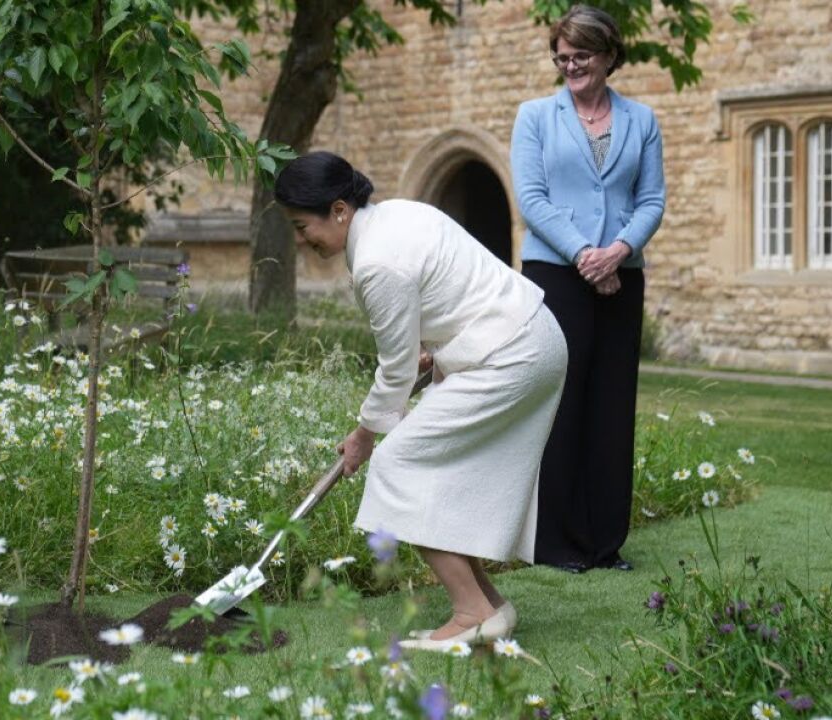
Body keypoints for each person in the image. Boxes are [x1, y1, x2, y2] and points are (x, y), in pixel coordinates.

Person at [275, 152, 567, 651]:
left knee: (399, 464)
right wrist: (429, 355)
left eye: (304, 227)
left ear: (340, 210)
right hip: (527, 338)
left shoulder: (378, 262)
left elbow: (395, 368)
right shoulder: (397, 215)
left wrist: (365, 436)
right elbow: (442, 309)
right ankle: (489, 607)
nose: (301, 240)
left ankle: (471, 612)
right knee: (436, 472)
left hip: (511, 353)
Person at [509, 5, 666, 573]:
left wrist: (619, 252)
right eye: (562, 57)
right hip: (557, 274)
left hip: (623, 275)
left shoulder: (642, 120)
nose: (569, 65)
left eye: (580, 56)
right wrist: (584, 254)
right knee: (562, 403)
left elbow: (651, 200)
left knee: (611, 404)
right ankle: (557, 542)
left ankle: (605, 544)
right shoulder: (535, 117)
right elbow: (532, 199)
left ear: (607, 57)